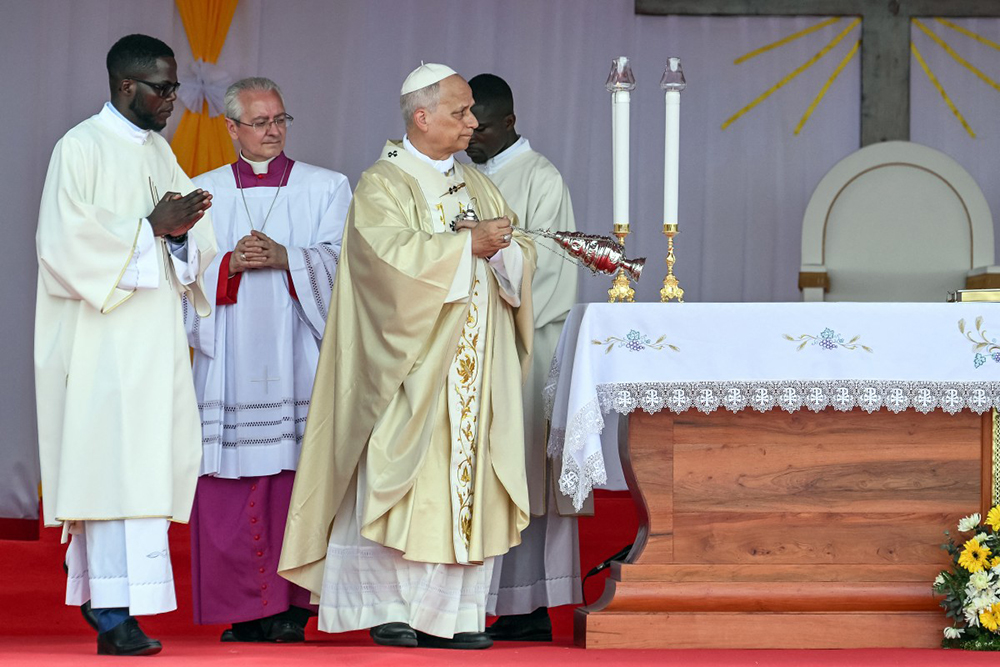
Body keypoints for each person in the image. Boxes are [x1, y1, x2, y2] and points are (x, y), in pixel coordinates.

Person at [278, 63, 537, 650]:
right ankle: (388, 607)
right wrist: (462, 247)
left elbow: (516, 260)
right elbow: (380, 265)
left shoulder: (479, 185)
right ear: (422, 118)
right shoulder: (383, 184)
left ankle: (453, 615)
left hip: (473, 366)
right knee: (401, 482)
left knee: (464, 485)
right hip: (409, 367)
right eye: (460, 111)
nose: (473, 122)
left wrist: (502, 255)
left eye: (471, 111)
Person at [35, 34, 217, 656]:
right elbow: (62, 247)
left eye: (172, 87)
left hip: (151, 342)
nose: (173, 99)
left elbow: (193, 242)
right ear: (125, 86)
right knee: (107, 467)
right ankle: (112, 611)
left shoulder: (159, 152)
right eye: (163, 88)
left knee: (139, 466)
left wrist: (184, 233)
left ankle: (116, 601)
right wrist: (149, 230)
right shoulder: (80, 148)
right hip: (99, 343)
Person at [184, 77, 351, 643]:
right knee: (230, 487)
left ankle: (291, 611)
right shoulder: (201, 193)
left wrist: (291, 258)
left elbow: (348, 267)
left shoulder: (327, 188)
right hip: (227, 362)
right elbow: (180, 275)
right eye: (259, 122)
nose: (273, 131)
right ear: (230, 128)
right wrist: (226, 264)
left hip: (298, 356)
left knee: (295, 479)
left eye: (280, 119)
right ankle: (244, 609)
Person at [466, 73, 581, 642]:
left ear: (509, 122)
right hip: (470, 347)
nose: (469, 133)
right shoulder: (459, 173)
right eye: (464, 120)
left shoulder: (540, 177)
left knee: (525, 473)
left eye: (480, 124)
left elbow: (554, 266)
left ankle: (528, 605)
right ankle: (469, 601)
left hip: (522, 346)